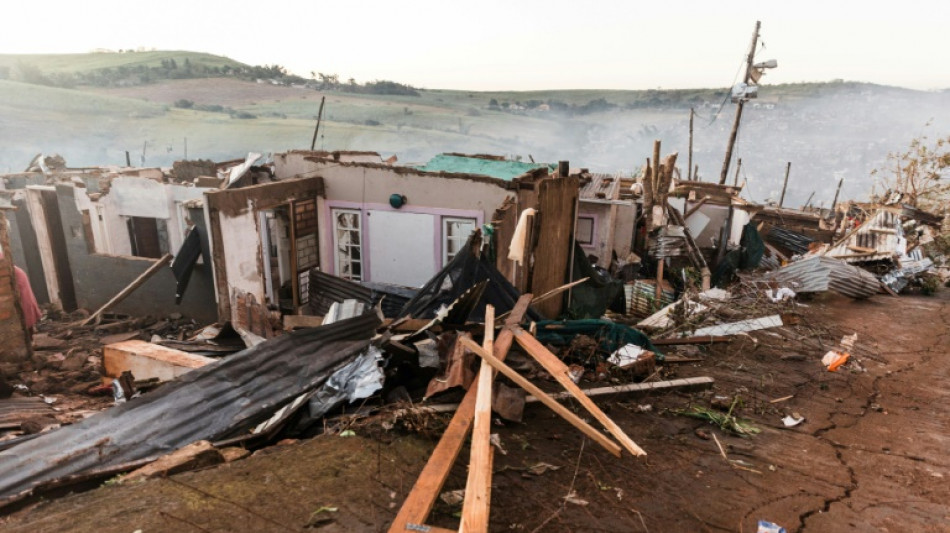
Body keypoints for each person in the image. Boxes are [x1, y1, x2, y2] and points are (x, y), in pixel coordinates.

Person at [13, 266, 42, 331]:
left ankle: (29, 335)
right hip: (19, 280)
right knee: (26, 307)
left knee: (26, 307)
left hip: (20, 282)